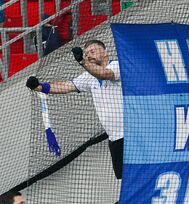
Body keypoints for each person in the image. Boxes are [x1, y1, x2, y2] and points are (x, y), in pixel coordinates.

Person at [25, 39, 124, 179]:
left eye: (92, 51)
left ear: (105, 52)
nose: (89, 55)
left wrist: (83, 62)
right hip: (114, 137)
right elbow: (66, 86)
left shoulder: (117, 66)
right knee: (124, 181)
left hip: (130, 134)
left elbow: (105, 74)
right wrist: (39, 87)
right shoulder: (89, 77)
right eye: (86, 53)